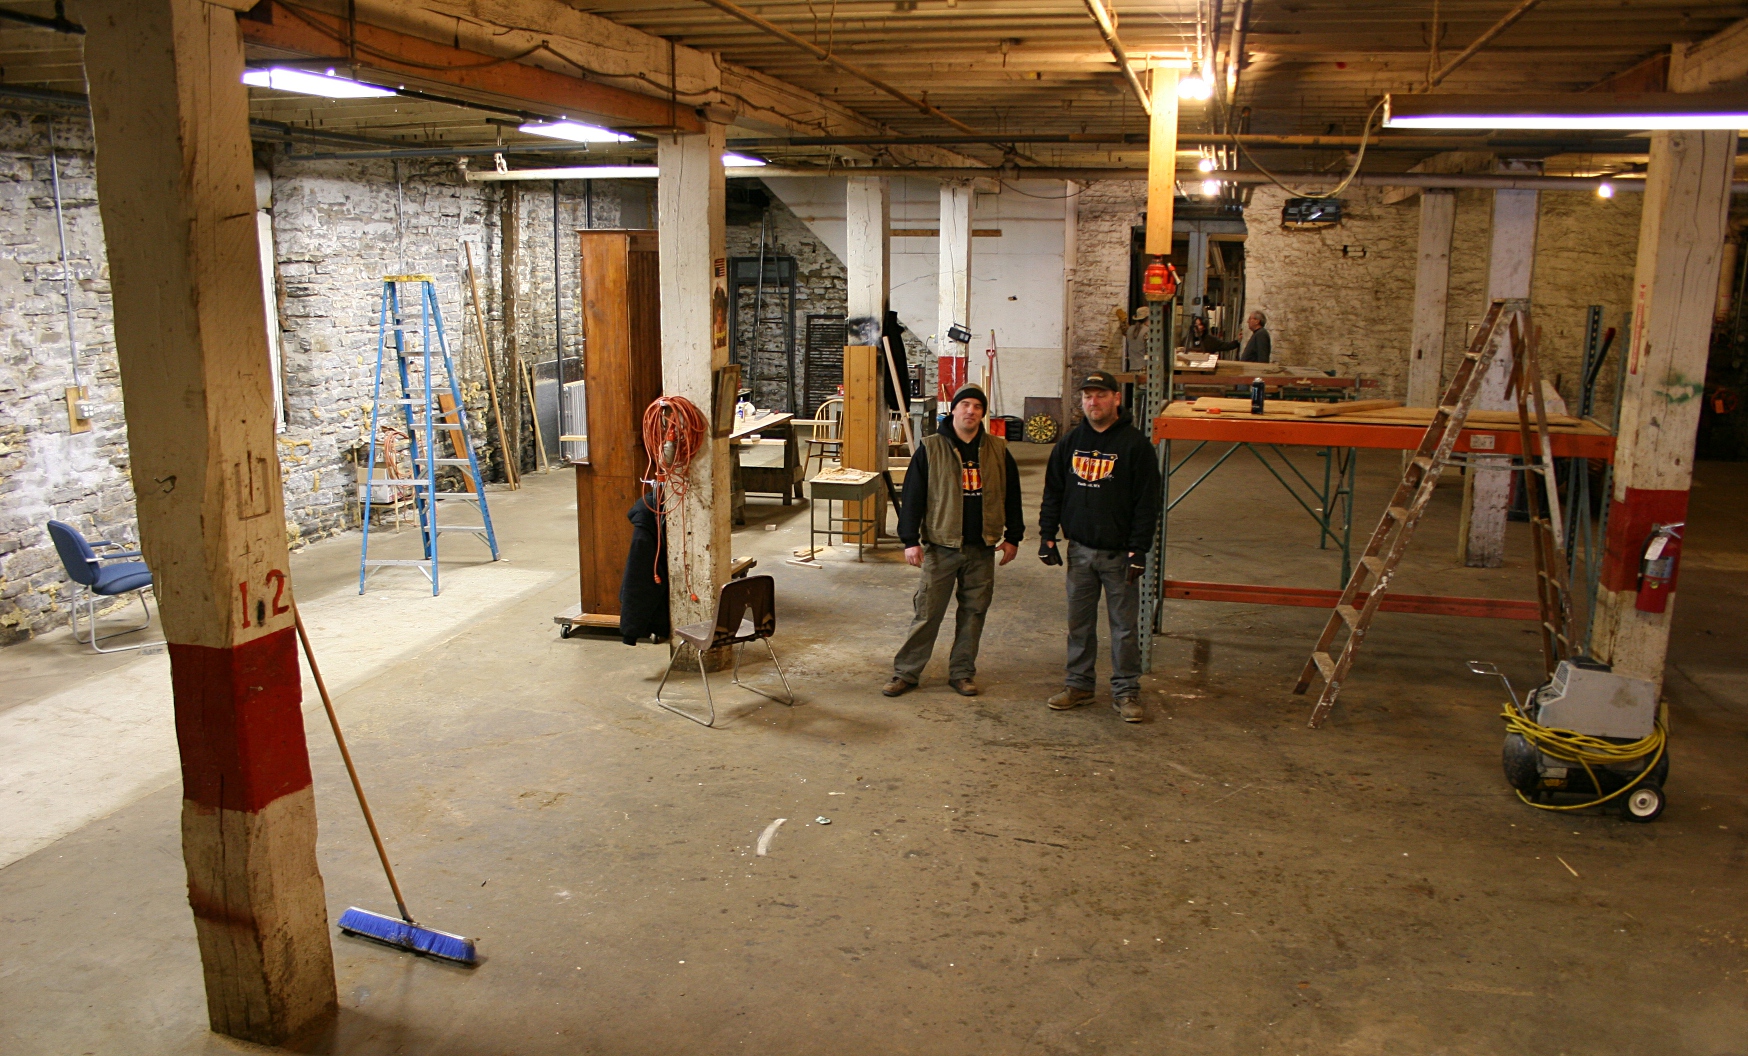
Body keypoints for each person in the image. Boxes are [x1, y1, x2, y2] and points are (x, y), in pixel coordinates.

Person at [1036, 371, 1161, 722]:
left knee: (1124, 629)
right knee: (1079, 624)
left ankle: (1126, 691)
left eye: (1101, 395)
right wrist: (1047, 536)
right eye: (1088, 396)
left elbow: (1147, 502)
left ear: (1116, 398)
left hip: (1119, 555)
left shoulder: (1136, 446)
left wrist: (1139, 549)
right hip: (1080, 552)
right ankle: (1079, 685)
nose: (1093, 402)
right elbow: (1053, 491)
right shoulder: (1070, 443)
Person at [884, 384, 1023, 698]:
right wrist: (910, 539)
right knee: (927, 614)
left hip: (982, 548)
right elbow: (913, 496)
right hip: (941, 546)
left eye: (977, 406)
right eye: (965, 405)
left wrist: (1013, 536)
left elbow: (1011, 495)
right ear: (954, 410)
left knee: (973, 614)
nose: (971, 411)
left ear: (982, 413)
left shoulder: (998, 449)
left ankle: (962, 673)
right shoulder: (931, 448)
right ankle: (906, 673)